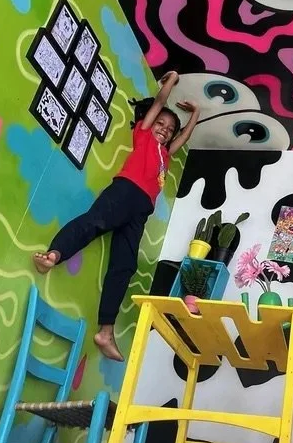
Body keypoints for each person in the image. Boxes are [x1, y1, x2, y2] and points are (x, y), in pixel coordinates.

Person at [32, 71, 197, 361]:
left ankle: (105, 332)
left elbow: (184, 137)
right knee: (94, 222)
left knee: (125, 265)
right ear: (150, 122)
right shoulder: (143, 135)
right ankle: (53, 256)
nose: (165, 130)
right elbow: (159, 103)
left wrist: (196, 114)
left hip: (141, 211)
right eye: (161, 124)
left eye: (170, 129)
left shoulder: (166, 155)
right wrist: (171, 82)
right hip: (125, 191)